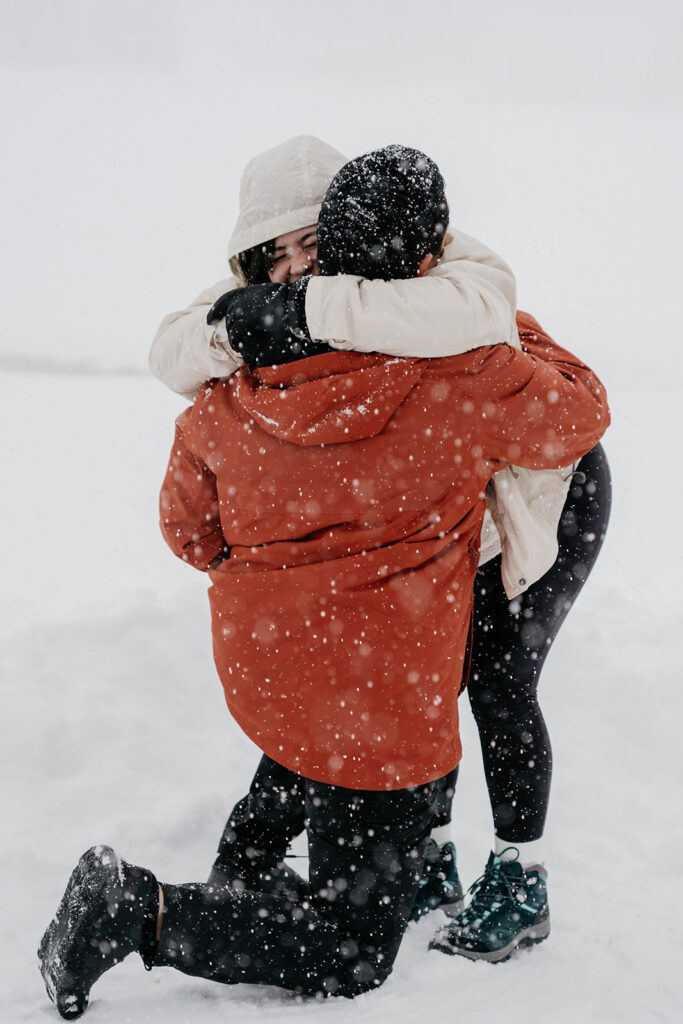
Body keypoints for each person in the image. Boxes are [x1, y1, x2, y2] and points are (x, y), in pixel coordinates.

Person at [39, 146, 610, 1016]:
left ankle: (481, 870)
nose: (296, 267)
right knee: (348, 951)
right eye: (277, 254)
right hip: (372, 692)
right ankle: (143, 909)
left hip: (335, 648)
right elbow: (577, 409)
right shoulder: (448, 373)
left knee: (466, 685)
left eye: (312, 245)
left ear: (347, 244)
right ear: (252, 267)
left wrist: (279, 572)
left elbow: (188, 533)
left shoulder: (238, 397)